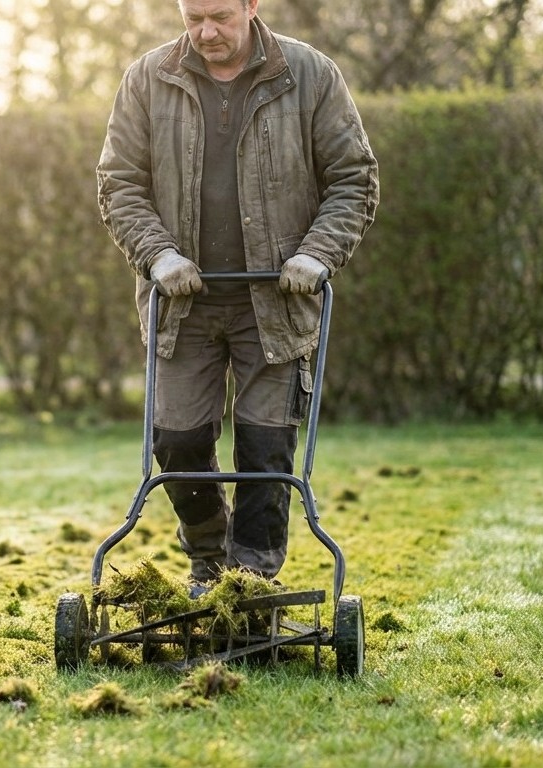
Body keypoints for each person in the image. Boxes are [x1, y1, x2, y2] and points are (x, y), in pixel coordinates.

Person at [96, 0, 379, 593]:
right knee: (176, 439)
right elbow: (119, 183)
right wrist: (159, 255)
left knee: (265, 445)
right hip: (181, 302)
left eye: (221, 16)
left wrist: (317, 254)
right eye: (192, 16)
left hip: (274, 301)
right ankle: (207, 557)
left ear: (253, 5)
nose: (205, 32)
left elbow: (353, 177)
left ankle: (252, 582)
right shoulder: (147, 79)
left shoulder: (308, 75)